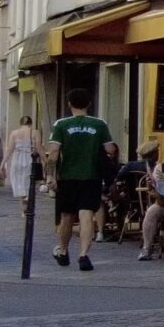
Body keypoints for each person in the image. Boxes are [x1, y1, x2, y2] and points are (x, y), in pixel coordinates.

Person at [45, 95, 111, 270]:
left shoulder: (61, 124)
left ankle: (63, 251)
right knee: (86, 215)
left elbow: (53, 152)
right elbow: (110, 149)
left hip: (68, 176)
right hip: (92, 176)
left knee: (66, 216)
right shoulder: (99, 124)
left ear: (69, 105)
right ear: (89, 104)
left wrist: (50, 176)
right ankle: (83, 255)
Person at [2, 114, 39, 203]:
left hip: (17, 159)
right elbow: (39, 148)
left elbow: (10, 149)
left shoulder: (14, 133)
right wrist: (45, 161)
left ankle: (23, 209)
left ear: (20, 124)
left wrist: (3, 163)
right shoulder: (35, 132)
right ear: (31, 124)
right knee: (29, 181)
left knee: (18, 182)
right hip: (30, 159)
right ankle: (27, 198)